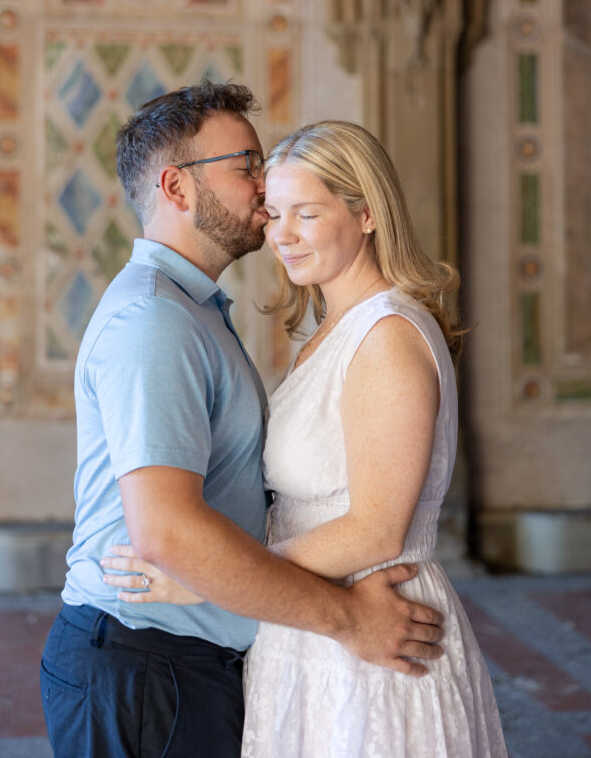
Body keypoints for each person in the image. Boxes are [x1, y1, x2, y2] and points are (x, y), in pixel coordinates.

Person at [40, 85, 445, 758]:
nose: (264, 189)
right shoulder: (156, 320)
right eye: (246, 166)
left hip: (180, 660)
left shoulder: (194, 310)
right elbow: (166, 531)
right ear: (176, 187)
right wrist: (347, 619)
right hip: (147, 665)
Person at [103, 118, 508, 757]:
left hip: (375, 628)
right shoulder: (333, 328)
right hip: (316, 619)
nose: (281, 236)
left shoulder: (387, 335)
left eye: (308, 215)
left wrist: (214, 578)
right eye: (273, 213)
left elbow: (377, 528)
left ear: (367, 214)